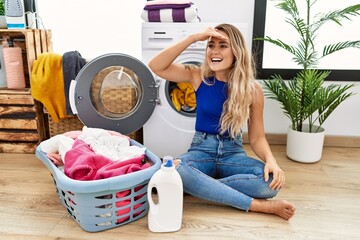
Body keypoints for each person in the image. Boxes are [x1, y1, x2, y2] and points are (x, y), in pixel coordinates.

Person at [148, 23, 296, 220]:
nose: (214, 51)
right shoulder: (198, 75)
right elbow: (156, 66)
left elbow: (257, 137)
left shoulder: (253, 90)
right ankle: (256, 205)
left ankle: (197, 185)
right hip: (202, 150)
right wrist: (193, 38)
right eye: (211, 45)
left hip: (232, 154)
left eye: (223, 45)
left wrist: (272, 161)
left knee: (268, 183)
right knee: (179, 168)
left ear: (236, 51)